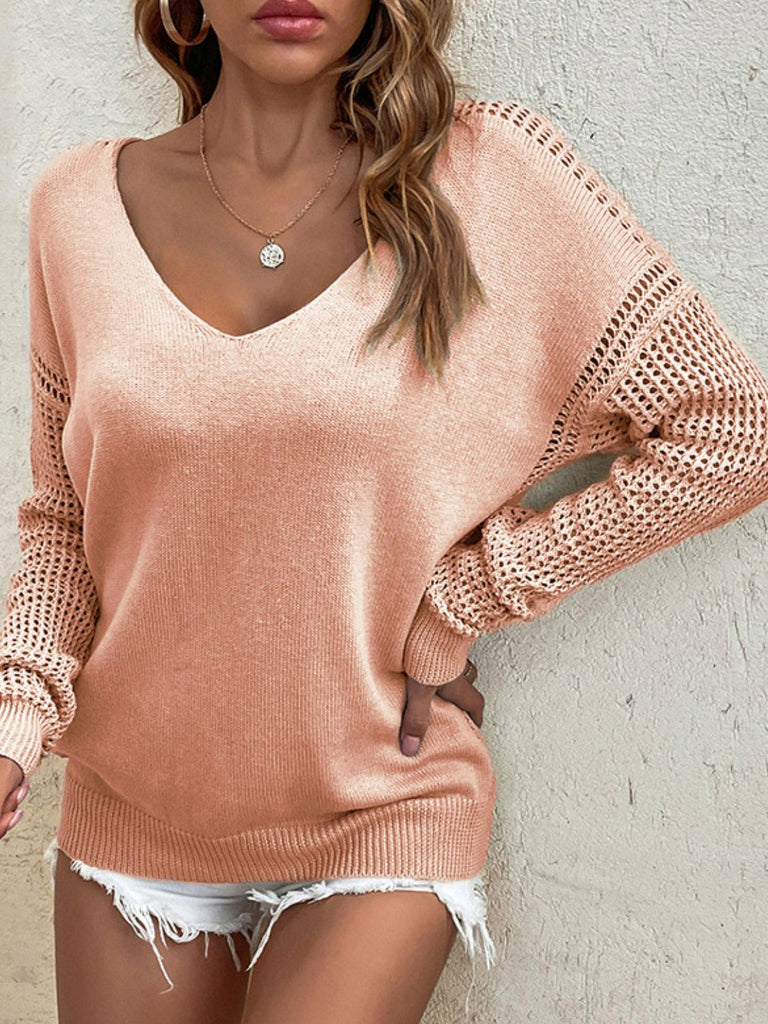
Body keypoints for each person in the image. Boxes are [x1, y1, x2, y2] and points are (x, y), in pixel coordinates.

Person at [2, 0, 768, 1022]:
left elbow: (728, 429)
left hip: (383, 803)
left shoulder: (495, 177)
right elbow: (65, 523)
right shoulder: (75, 207)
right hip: (133, 812)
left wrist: (466, 595)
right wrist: (14, 718)